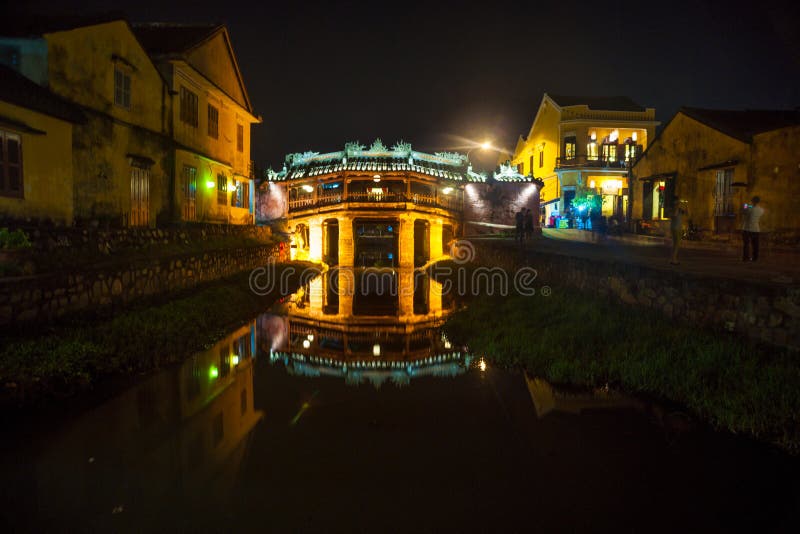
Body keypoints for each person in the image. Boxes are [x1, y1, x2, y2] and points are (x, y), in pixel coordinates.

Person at [742, 196, 764, 261]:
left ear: (752, 201)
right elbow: (754, 208)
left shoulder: (749, 208)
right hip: (756, 229)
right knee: (755, 245)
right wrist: (750, 206)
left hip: (747, 228)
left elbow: (744, 211)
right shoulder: (761, 210)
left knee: (746, 244)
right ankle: (755, 258)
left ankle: (746, 257)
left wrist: (746, 204)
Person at [669, 196, 685, 265]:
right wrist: (677, 207)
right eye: (677, 201)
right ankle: (673, 259)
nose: (679, 202)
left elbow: (688, 214)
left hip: (679, 228)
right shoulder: (673, 208)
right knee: (676, 244)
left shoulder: (680, 209)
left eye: (679, 201)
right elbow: (674, 215)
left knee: (676, 244)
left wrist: (686, 205)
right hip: (675, 228)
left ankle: (673, 258)